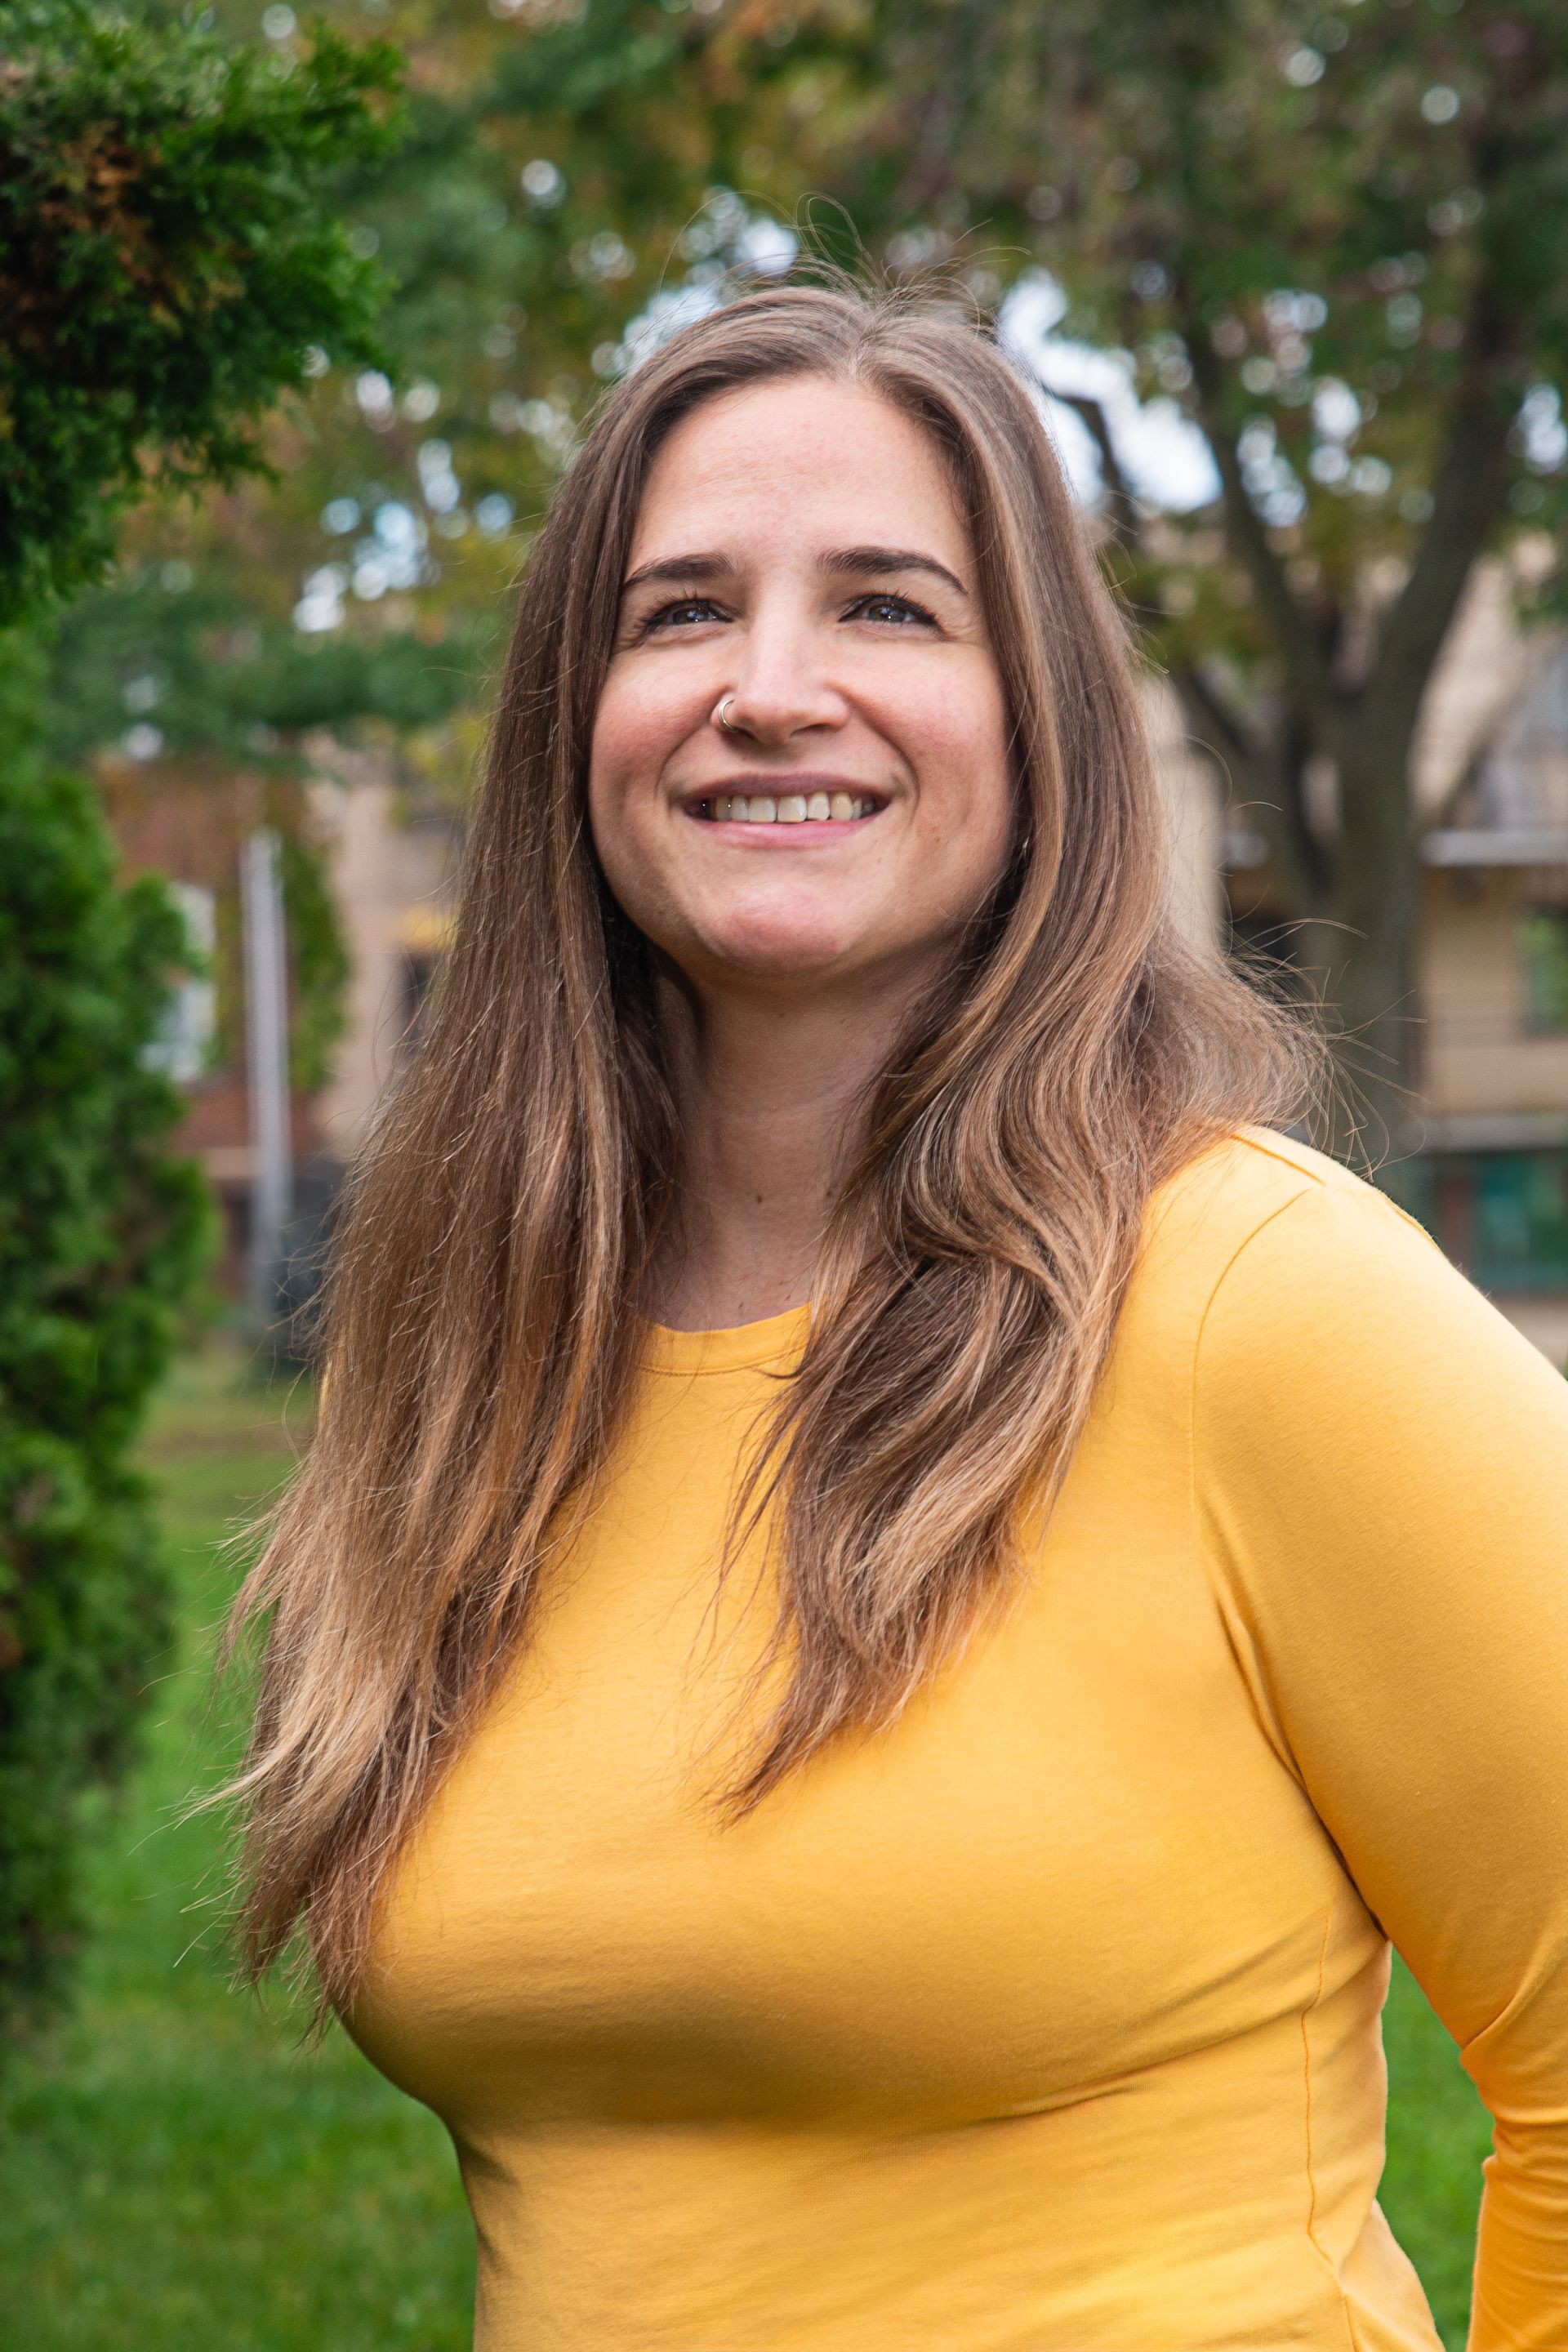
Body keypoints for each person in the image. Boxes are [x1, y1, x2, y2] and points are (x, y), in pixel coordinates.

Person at [227, 283, 1568, 2351]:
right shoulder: (477, 1360)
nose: (770, 687)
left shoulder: (1257, 1305)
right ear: (569, 722)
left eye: (887, 608)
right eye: (679, 611)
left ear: (1041, 722)